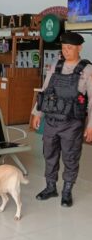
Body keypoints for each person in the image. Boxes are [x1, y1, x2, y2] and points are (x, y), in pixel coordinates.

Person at [32, 32, 92, 208]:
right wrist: (37, 114)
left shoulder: (87, 70)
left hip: (72, 123)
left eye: (70, 47)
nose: (66, 51)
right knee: (49, 154)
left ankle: (67, 192)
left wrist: (90, 126)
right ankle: (51, 187)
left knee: (70, 157)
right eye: (64, 47)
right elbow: (45, 91)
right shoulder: (55, 66)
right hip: (51, 120)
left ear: (79, 48)